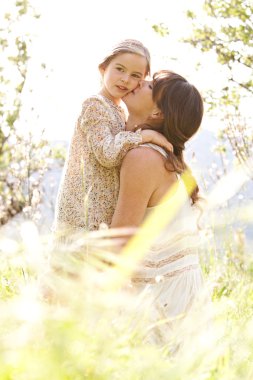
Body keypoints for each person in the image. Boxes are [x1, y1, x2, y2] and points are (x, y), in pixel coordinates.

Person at [111, 70, 208, 345]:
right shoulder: (158, 156)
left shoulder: (143, 158)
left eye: (150, 85)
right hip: (179, 293)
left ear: (157, 114)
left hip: (162, 299)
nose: (139, 81)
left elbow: (119, 242)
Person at [53, 39, 172, 239]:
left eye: (135, 75)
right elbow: (107, 154)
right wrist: (142, 136)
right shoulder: (94, 105)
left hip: (100, 218)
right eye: (120, 69)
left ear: (141, 81)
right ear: (103, 68)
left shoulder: (119, 111)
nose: (125, 79)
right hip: (81, 217)